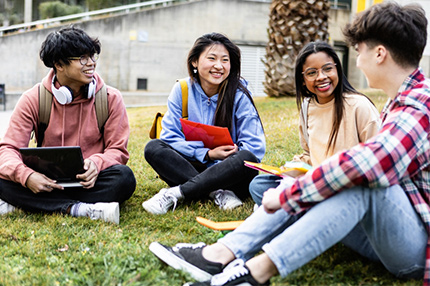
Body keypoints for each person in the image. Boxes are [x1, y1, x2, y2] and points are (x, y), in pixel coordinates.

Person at [148, 2, 430, 285]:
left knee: (356, 182)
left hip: (415, 250)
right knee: (304, 182)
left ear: (379, 53)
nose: (356, 61)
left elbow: (368, 165)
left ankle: (253, 273)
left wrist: (289, 194)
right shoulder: (397, 104)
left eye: (358, 52)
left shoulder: (420, 105)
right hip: (380, 232)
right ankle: (220, 254)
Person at [0, 26, 136, 224]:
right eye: (82, 58)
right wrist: (27, 177)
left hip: (91, 181)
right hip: (46, 180)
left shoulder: (110, 98)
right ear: (59, 65)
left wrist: (97, 164)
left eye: (92, 56)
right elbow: (8, 149)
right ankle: (80, 209)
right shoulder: (33, 98)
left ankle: (31, 203)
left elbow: (117, 150)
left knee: (124, 178)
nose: (91, 64)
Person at [143, 32, 265, 215]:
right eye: (212, 58)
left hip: (230, 174)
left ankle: (177, 193)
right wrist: (206, 154)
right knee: (153, 147)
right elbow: (169, 137)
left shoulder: (240, 94)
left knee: (246, 158)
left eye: (225, 60)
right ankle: (216, 193)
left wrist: (225, 160)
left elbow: (255, 148)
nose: (219, 66)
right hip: (192, 165)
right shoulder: (182, 90)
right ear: (194, 61)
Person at [250, 41, 380, 206]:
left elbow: (377, 157)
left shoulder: (359, 105)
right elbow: (310, 154)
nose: (321, 77)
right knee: (259, 185)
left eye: (327, 69)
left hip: (347, 186)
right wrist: (291, 167)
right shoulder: (307, 106)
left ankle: (297, 208)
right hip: (314, 181)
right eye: (312, 72)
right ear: (303, 80)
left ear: (337, 69)